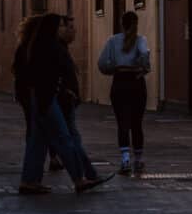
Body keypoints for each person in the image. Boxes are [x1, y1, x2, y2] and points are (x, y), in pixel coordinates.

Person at [14, 13, 104, 195]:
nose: (63, 29)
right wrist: (65, 90)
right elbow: (56, 75)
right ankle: (79, 179)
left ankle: (29, 180)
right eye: (60, 26)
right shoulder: (51, 47)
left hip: (38, 99)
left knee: (37, 142)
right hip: (47, 100)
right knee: (64, 139)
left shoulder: (34, 46)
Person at [98, 10, 151, 176]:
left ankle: (125, 159)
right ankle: (139, 160)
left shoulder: (113, 41)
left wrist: (113, 68)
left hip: (120, 82)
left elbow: (102, 63)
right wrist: (143, 67)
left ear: (122, 23)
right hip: (136, 82)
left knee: (122, 122)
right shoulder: (141, 40)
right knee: (137, 122)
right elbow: (144, 54)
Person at [55, 15, 105, 184]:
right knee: (71, 140)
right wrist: (67, 93)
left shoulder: (61, 49)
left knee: (70, 139)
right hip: (63, 103)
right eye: (70, 27)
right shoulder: (58, 50)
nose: (74, 31)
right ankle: (85, 176)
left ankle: (88, 174)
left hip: (65, 102)